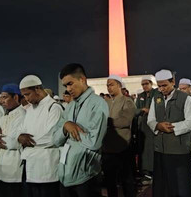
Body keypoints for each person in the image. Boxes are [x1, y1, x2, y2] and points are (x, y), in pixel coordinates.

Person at [54, 63, 109, 197]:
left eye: (70, 83)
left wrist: (71, 131)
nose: (68, 89)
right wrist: (66, 126)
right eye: (66, 85)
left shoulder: (98, 104)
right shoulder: (70, 106)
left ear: (82, 79)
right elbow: (55, 139)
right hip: (65, 175)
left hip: (86, 177)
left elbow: (94, 142)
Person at [147, 69, 191, 197]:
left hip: (179, 150)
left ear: (173, 82)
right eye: (159, 86)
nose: (161, 89)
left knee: (180, 185)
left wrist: (172, 127)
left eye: (164, 85)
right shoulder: (156, 98)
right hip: (160, 149)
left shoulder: (185, 98)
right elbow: (150, 120)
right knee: (162, 184)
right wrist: (158, 126)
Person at [11, 75, 63, 197]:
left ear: (38, 88)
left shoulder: (54, 108)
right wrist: (20, 137)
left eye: (28, 94)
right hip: (29, 164)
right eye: (24, 95)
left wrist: (25, 139)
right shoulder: (29, 110)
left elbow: (51, 137)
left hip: (46, 167)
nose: (26, 98)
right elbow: (19, 131)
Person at [102, 75, 136, 197]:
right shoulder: (106, 102)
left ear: (119, 86)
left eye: (111, 85)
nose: (109, 88)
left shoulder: (127, 101)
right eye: (107, 85)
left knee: (126, 180)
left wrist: (106, 122)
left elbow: (125, 121)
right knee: (110, 182)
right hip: (107, 148)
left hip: (123, 147)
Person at [0, 84, 26, 196]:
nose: (1, 101)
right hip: (1, 165)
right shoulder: (4, 116)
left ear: (15, 97)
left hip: (13, 166)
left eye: (5, 97)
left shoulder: (22, 114)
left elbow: (13, 142)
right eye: (1, 97)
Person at [135, 75, 161, 178]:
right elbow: (136, 109)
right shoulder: (141, 95)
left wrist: (149, 111)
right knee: (144, 148)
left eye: (146, 84)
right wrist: (142, 110)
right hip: (143, 126)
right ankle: (145, 169)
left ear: (151, 84)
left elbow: (159, 108)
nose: (144, 86)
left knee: (152, 148)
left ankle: (153, 169)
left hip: (153, 125)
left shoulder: (157, 94)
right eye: (143, 84)